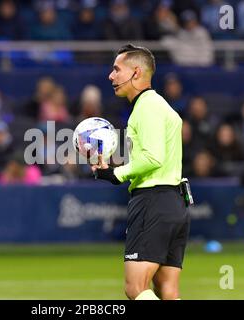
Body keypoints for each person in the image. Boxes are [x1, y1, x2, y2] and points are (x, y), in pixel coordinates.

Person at [91, 44, 190, 300]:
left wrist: (116, 174)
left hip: (152, 201)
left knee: (135, 287)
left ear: (136, 72)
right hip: (175, 203)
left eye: (116, 69)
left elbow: (152, 157)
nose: (110, 76)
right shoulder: (162, 106)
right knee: (167, 291)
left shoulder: (146, 106)